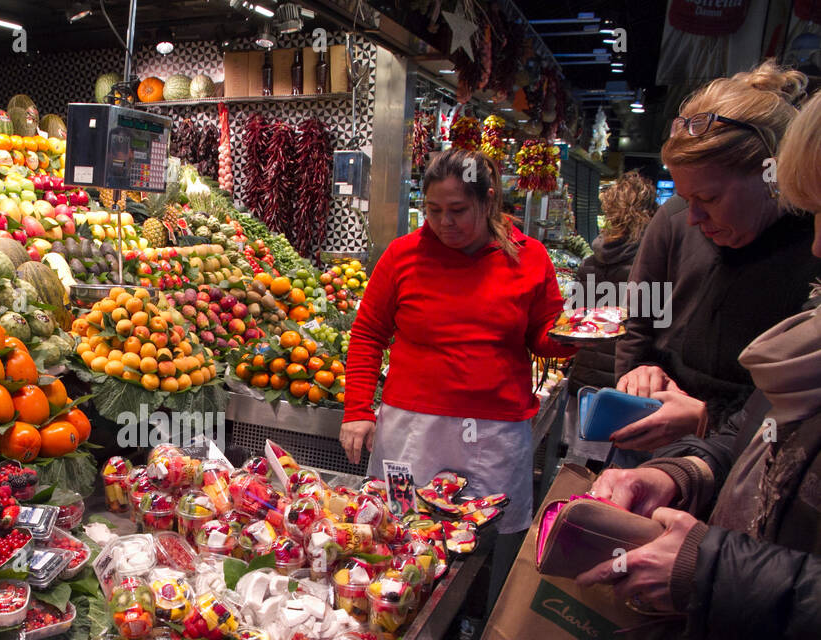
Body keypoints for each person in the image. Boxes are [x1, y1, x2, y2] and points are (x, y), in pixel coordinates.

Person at [573, 88, 821, 640]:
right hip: (725, 547)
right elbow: (767, 426)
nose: (818, 248)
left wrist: (706, 564)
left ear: (773, 181)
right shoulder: (677, 229)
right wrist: (682, 469)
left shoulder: (796, 253)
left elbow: (756, 416)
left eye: (711, 196)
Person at [339, 149, 576, 537]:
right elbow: (368, 333)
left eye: (458, 209)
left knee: (482, 544)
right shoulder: (402, 256)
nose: (444, 222)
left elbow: (542, 335)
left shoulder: (528, 258)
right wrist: (358, 409)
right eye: (433, 210)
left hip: (494, 434)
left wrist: (572, 338)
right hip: (411, 431)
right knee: (398, 530)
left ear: (488, 201)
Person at [609, 60, 819, 453]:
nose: (694, 217)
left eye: (709, 198)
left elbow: (798, 402)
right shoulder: (673, 219)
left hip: (747, 451)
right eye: (686, 199)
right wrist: (637, 377)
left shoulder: (811, 246)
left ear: (772, 175)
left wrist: (705, 419)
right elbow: (639, 321)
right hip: (653, 432)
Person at [568, 171, 658, 394]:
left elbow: (572, 322)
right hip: (628, 389)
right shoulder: (654, 267)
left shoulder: (588, 263)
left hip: (584, 383)